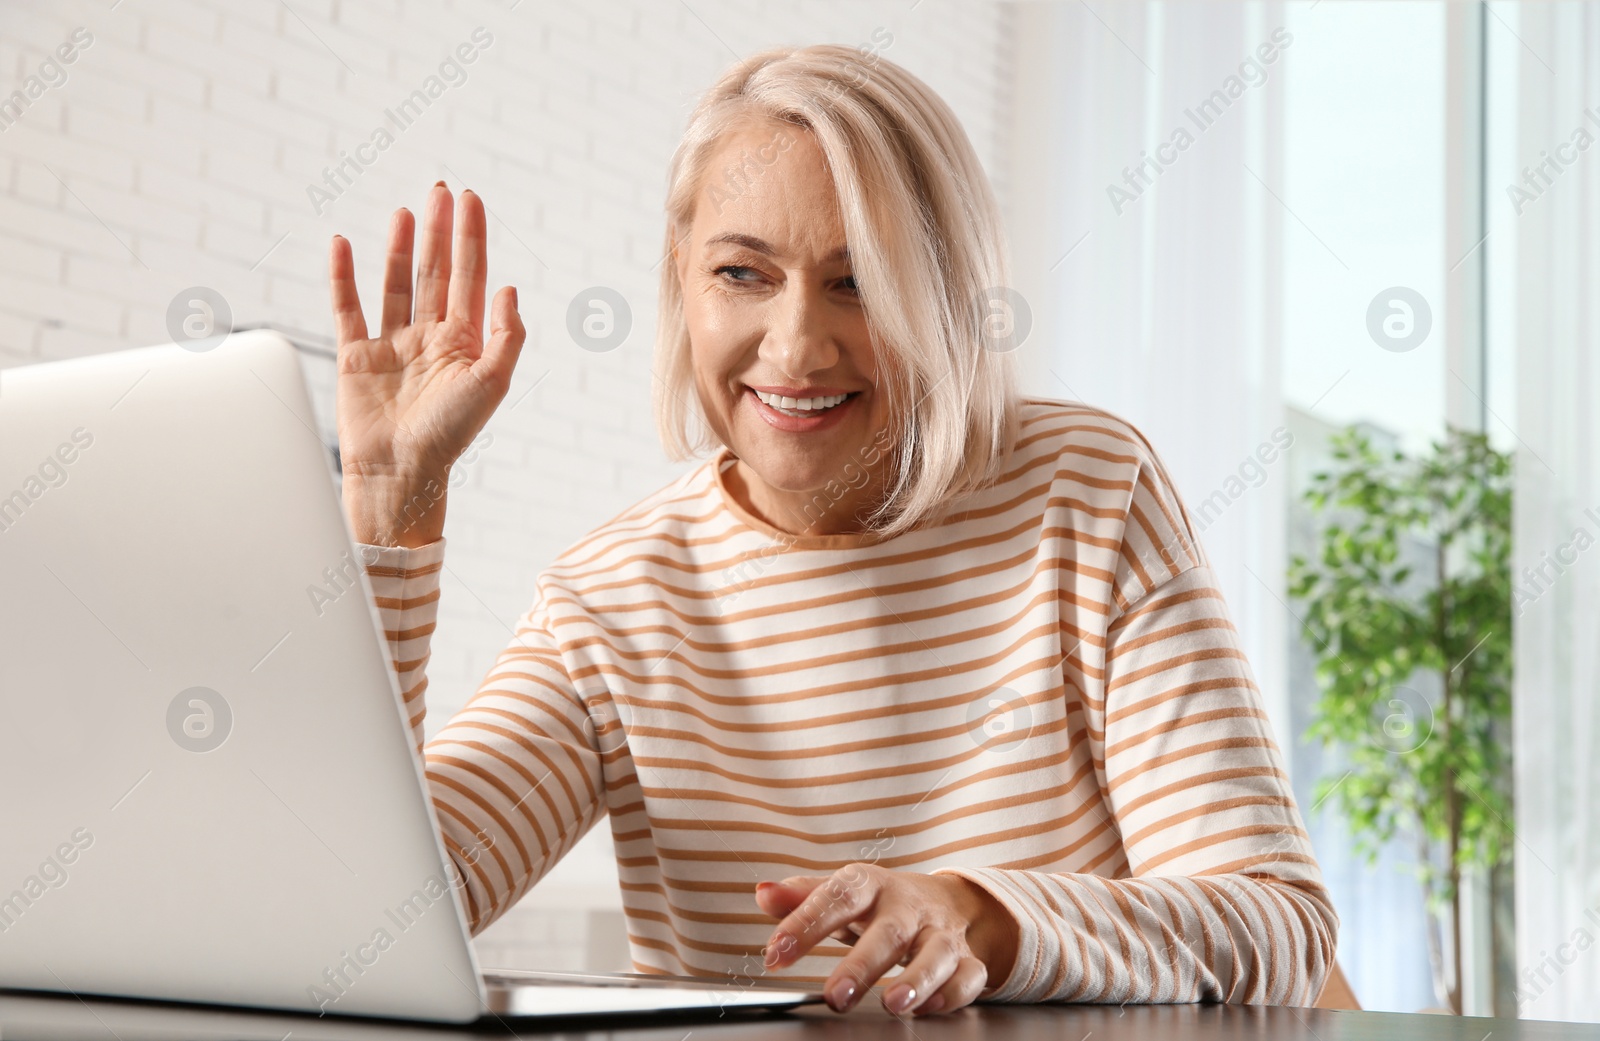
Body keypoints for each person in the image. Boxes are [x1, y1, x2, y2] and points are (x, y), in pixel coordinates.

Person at [326, 43, 1336, 1018]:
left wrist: (977, 917)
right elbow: (364, 929)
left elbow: (1277, 931)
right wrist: (391, 508)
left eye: (859, 281)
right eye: (741, 273)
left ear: (945, 295)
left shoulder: (1085, 493)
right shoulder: (611, 599)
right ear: (683, 277)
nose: (798, 345)